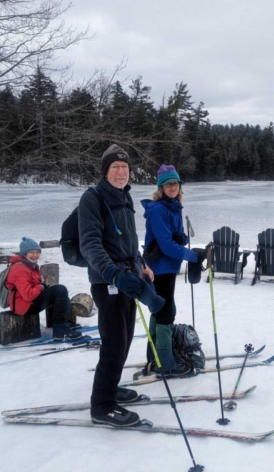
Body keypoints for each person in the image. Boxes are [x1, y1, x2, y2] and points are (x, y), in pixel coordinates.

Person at [78, 144, 159, 428]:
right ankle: (102, 406)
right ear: (105, 171)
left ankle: (111, 388)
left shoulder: (125, 197)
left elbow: (128, 242)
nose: (121, 171)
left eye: (125, 167)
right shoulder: (92, 199)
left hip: (128, 277)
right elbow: (90, 244)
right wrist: (114, 275)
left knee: (124, 338)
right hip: (107, 280)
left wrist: (142, 264)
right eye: (115, 167)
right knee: (114, 342)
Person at [141, 165, 206, 377]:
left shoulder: (174, 206)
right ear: (161, 187)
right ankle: (166, 364)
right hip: (158, 268)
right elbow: (167, 245)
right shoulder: (159, 210)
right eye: (168, 184)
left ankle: (155, 356)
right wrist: (192, 256)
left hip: (168, 267)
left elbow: (175, 236)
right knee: (166, 312)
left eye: (175, 183)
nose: (172, 187)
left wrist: (183, 238)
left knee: (160, 309)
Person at [5, 237, 83, 340]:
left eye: (37, 252)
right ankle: (60, 330)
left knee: (59, 293)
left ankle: (60, 324)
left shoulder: (31, 266)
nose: (35, 255)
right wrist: (41, 287)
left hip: (30, 302)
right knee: (60, 290)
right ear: (24, 254)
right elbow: (28, 295)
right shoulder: (19, 269)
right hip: (23, 306)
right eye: (32, 252)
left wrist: (42, 287)